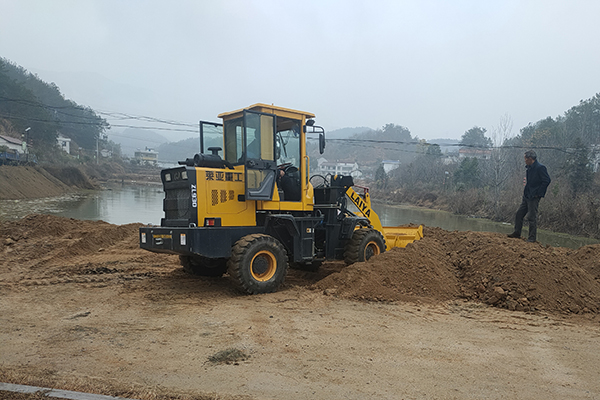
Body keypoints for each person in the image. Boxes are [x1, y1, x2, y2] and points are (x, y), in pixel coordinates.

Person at [507, 150, 551, 242]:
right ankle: (517, 233)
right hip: (527, 195)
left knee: (531, 217)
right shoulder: (529, 168)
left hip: (534, 196)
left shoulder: (540, 168)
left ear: (530, 159)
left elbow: (547, 180)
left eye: (525, 159)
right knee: (519, 214)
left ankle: (532, 238)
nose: (525, 160)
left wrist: (538, 193)